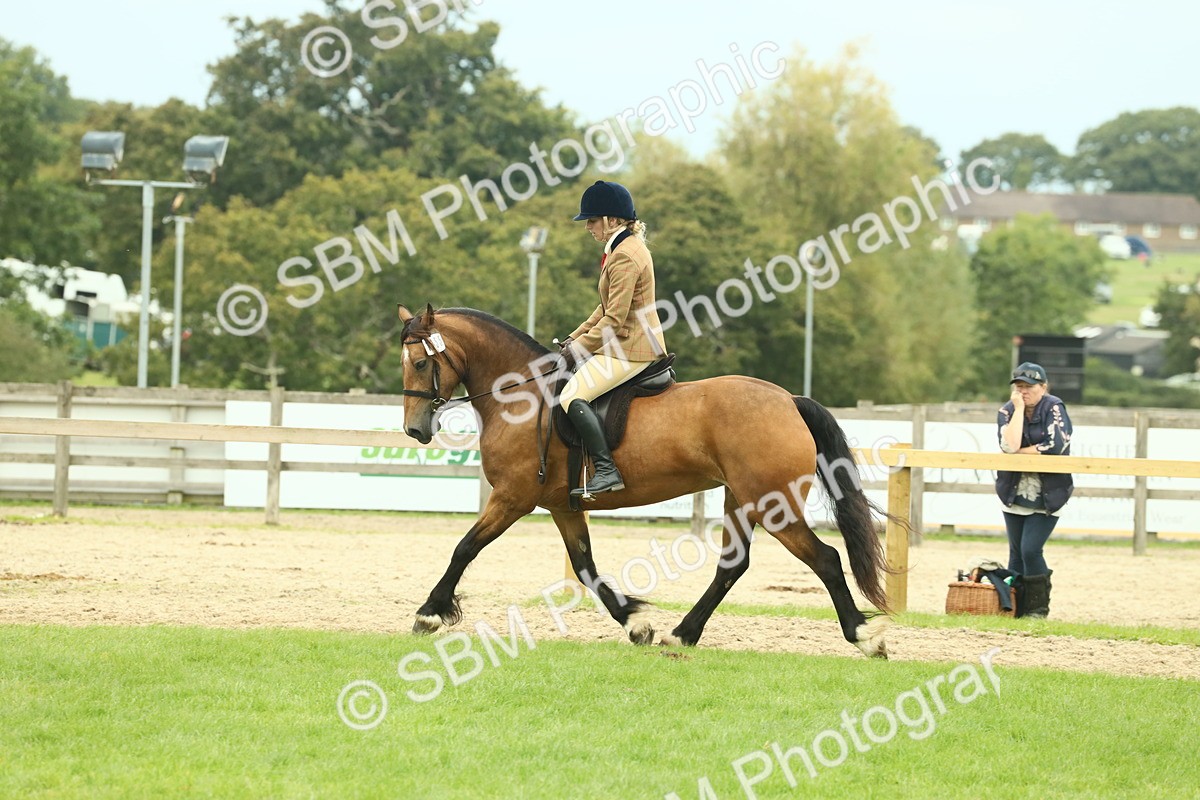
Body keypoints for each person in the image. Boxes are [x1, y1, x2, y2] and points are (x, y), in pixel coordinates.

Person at [558, 180, 667, 499]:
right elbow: (604, 308)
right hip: (626, 341)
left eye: (592, 220)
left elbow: (615, 319)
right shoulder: (621, 248)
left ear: (613, 220)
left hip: (632, 347)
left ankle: (606, 471)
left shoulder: (625, 255)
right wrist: (573, 339)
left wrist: (579, 349)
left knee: (571, 395)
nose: (588, 227)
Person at [994, 362, 1074, 618]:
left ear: (1043, 387)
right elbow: (1008, 446)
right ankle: (1016, 609)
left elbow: (1056, 445)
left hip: (1048, 493)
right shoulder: (1007, 411)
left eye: (1029, 386)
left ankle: (1038, 609)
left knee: (1030, 549)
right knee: (1016, 552)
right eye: (1019, 386)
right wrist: (1018, 410)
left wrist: (1020, 453)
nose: (1023, 391)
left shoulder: (1054, 407)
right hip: (1013, 491)